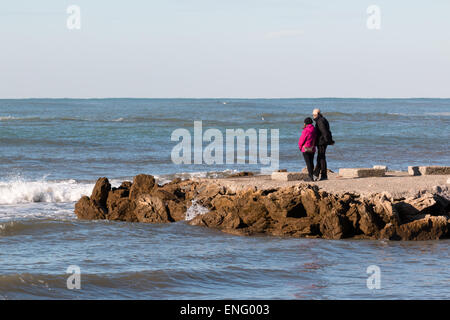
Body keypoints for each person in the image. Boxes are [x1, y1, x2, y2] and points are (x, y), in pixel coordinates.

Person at [312, 108, 334, 181]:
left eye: (314, 115)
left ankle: (323, 175)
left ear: (317, 114)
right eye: (313, 115)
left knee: (321, 158)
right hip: (322, 141)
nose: (313, 116)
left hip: (322, 142)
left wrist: (329, 141)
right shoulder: (322, 119)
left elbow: (324, 132)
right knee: (320, 157)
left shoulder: (320, 121)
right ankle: (316, 174)